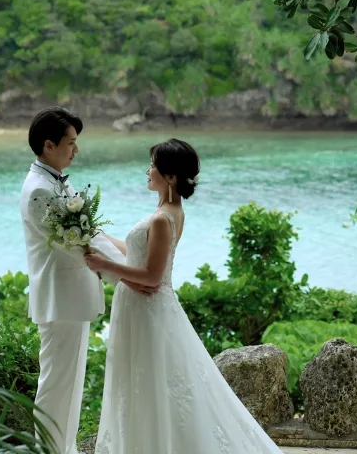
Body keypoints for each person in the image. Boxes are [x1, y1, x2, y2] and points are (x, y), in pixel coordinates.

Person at [85, 138, 285, 453]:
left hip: (148, 311)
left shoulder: (164, 218)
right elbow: (138, 256)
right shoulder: (166, 211)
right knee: (144, 385)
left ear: (171, 176)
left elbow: (152, 276)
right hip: (140, 309)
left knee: (153, 384)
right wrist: (95, 235)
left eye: (153, 165)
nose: (147, 170)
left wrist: (102, 264)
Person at [20, 107, 154, 454]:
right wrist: (128, 274)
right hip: (59, 300)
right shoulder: (40, 191)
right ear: (49, 145)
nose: (75, 150)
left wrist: (131, 260)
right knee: (56, 385)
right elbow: (78, 245)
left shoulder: (57, 182)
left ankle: (65, 449)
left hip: (71, 300)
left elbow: (90, 233)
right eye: (70, 143)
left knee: (70, 384)